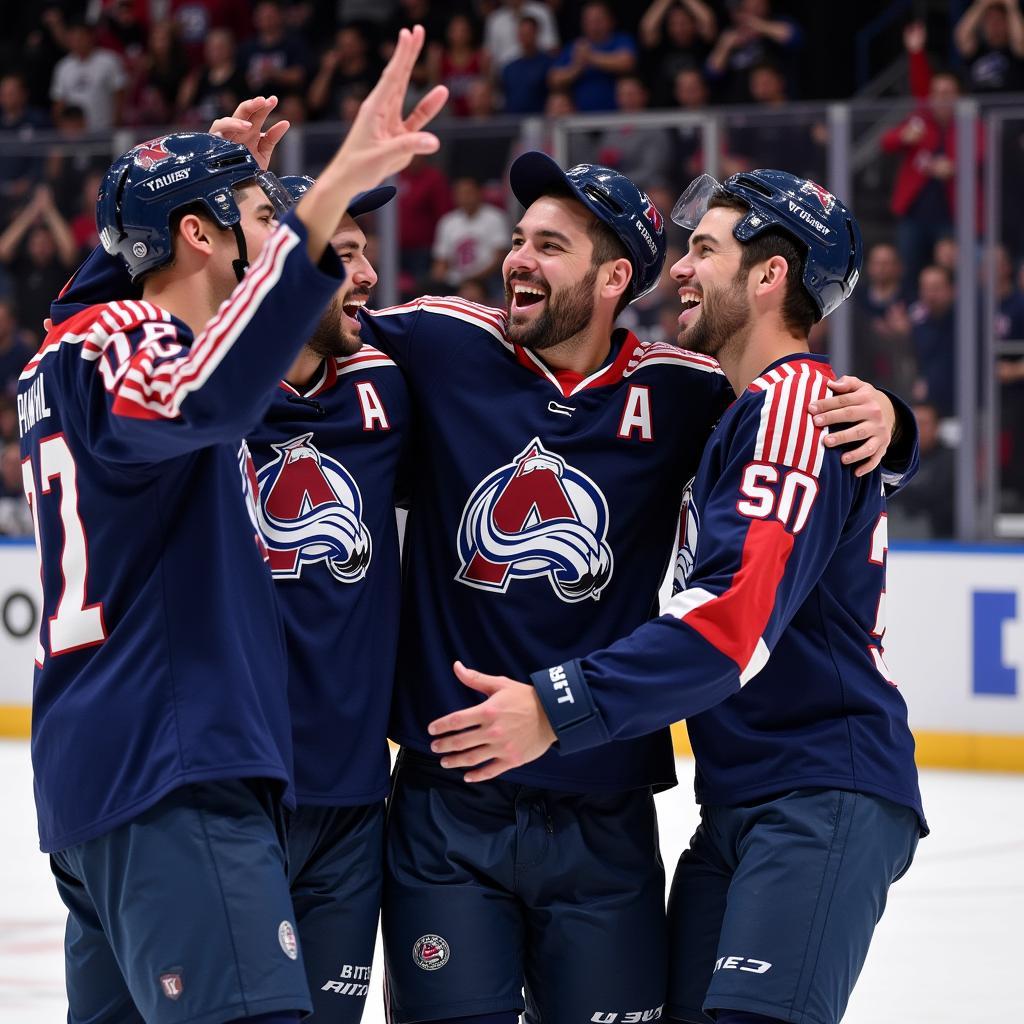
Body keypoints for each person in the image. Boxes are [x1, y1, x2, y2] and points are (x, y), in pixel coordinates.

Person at [354, 152, 915, 1024]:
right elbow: (296, 343)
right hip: (464, 798)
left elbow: (762, 558)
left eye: (552, 243)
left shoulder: (705, 395)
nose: (518, 260)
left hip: (630, 800)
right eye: (518, 239)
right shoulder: (442, 340)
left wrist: (890, 423)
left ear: (616, 277)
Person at [17, 28, 446, 1024]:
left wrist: (188, 173)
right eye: (263, 212)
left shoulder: (72, 345)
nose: (287, 229)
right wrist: (335, 180)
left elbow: (136, 299)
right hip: (173, 770)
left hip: (110, 783)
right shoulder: (139, 342)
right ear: (204, 239)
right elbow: (208, 395)